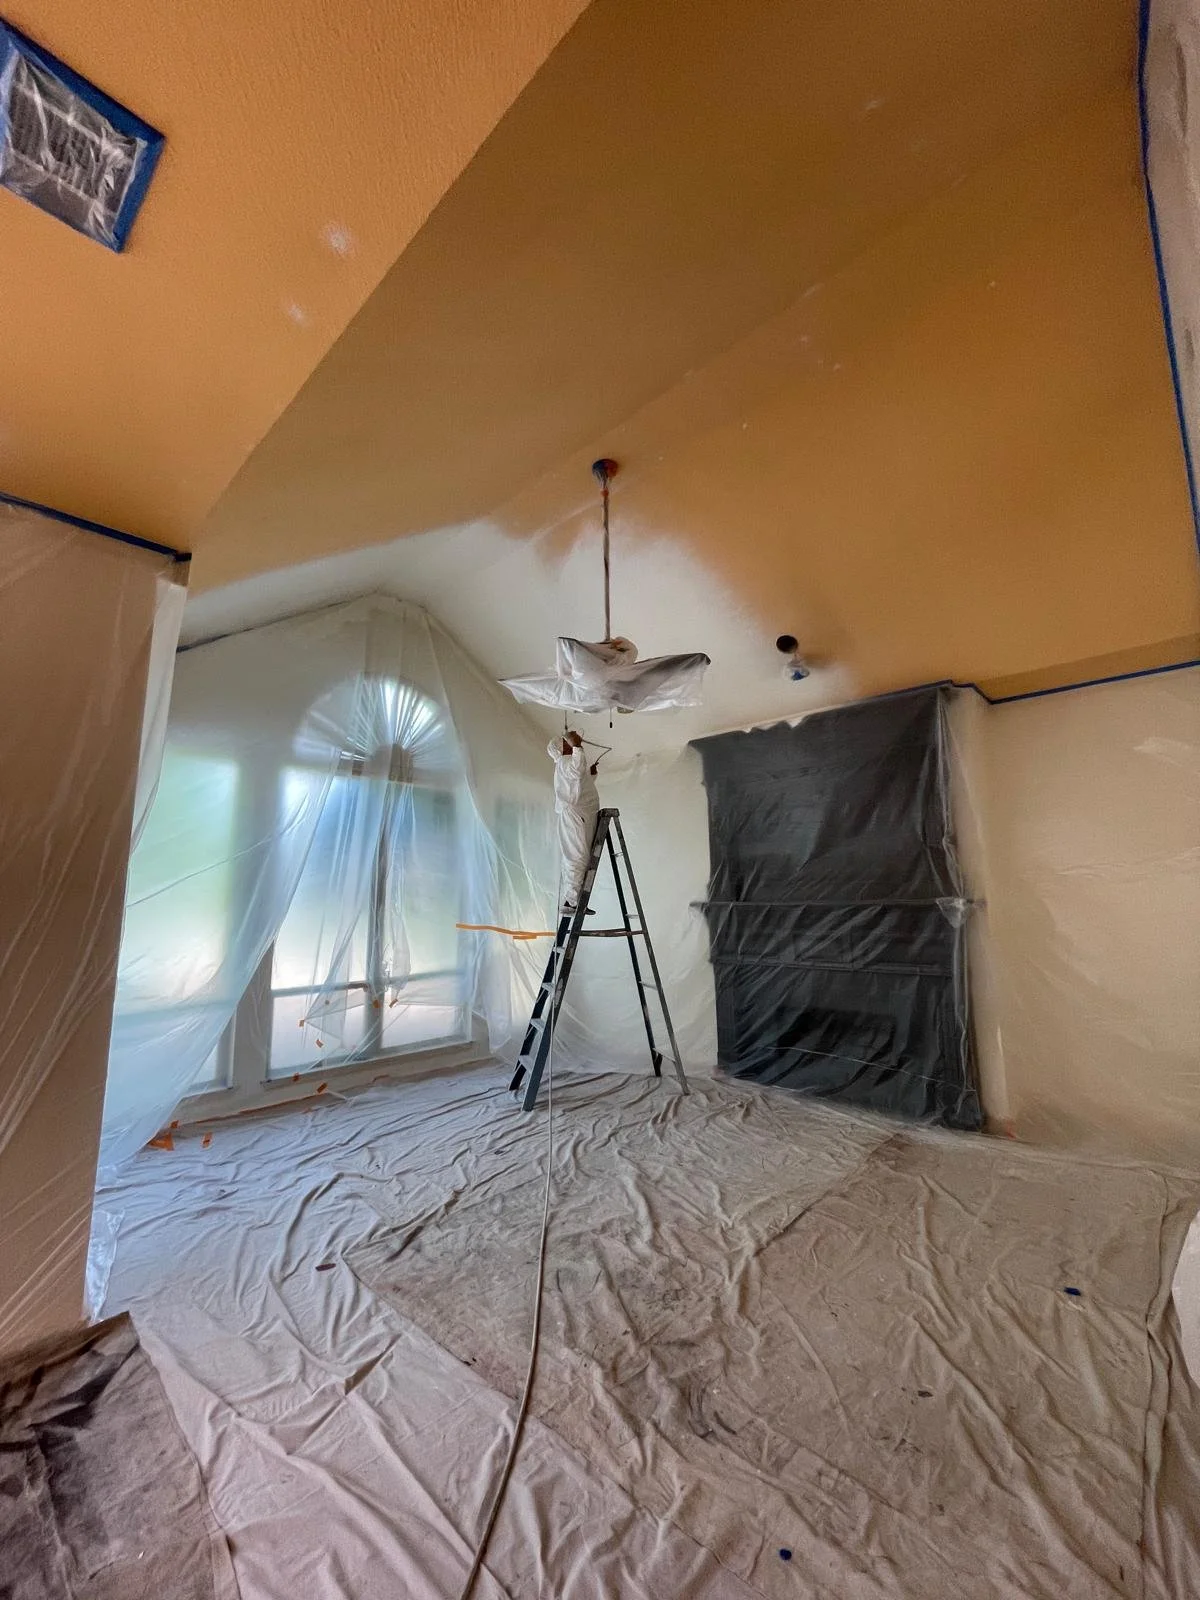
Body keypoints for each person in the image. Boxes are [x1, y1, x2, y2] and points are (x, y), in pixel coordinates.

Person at [548, 730, 599, 910]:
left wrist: (591, 775)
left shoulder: (565, 764)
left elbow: (578, 785)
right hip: (575, 817)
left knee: (579, 857)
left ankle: (573, 898)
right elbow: (576, 771)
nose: (567, 743)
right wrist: (577, 746)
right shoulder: (564, 761)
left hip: (579, 816)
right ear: (560, 749)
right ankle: (572, 901)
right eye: (564, 742)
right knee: (576, 857)